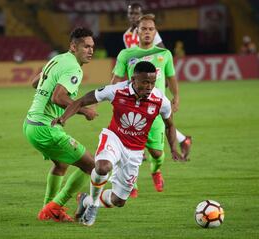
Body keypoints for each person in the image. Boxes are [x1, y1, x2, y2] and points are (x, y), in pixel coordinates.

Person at [52, 61, 186, 226]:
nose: (149, 86)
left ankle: (85, 201)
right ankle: (93, 205)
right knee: (102, 167)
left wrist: (173, 148)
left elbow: (170, 125)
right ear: (133, 79)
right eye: (145, 82)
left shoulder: (160, 100)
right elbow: (81, 101)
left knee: (118, 200)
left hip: (135, 151)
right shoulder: (116, 90)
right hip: (114, 138)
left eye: (152, 82)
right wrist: (63, 118)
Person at [23, 27, 97, 222]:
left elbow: (34, 83)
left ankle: (49, 208)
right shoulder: (73, 67)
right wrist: (84, 110)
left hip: (31, 125)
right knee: (94, 167)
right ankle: (55, 206)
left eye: (92, 47)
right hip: (45, 128)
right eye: (85, 46)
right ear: (73, 47)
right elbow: (58, 97)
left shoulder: (57, 59)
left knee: (61, 164)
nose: (90, 51)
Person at [112, 14, 191, 197]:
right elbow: (116, 78)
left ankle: (156, 171)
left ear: (155, 32)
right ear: (137, 32)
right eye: (144, 29)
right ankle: (131, 184)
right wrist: (113, 97)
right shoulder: (126, 54)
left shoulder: (164, 54)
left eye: (151, 29)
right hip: (132, 110)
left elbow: (171, 77)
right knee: (131, 150)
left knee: (156, 152)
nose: (147, 32)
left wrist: (176, 96)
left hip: (155, 110)